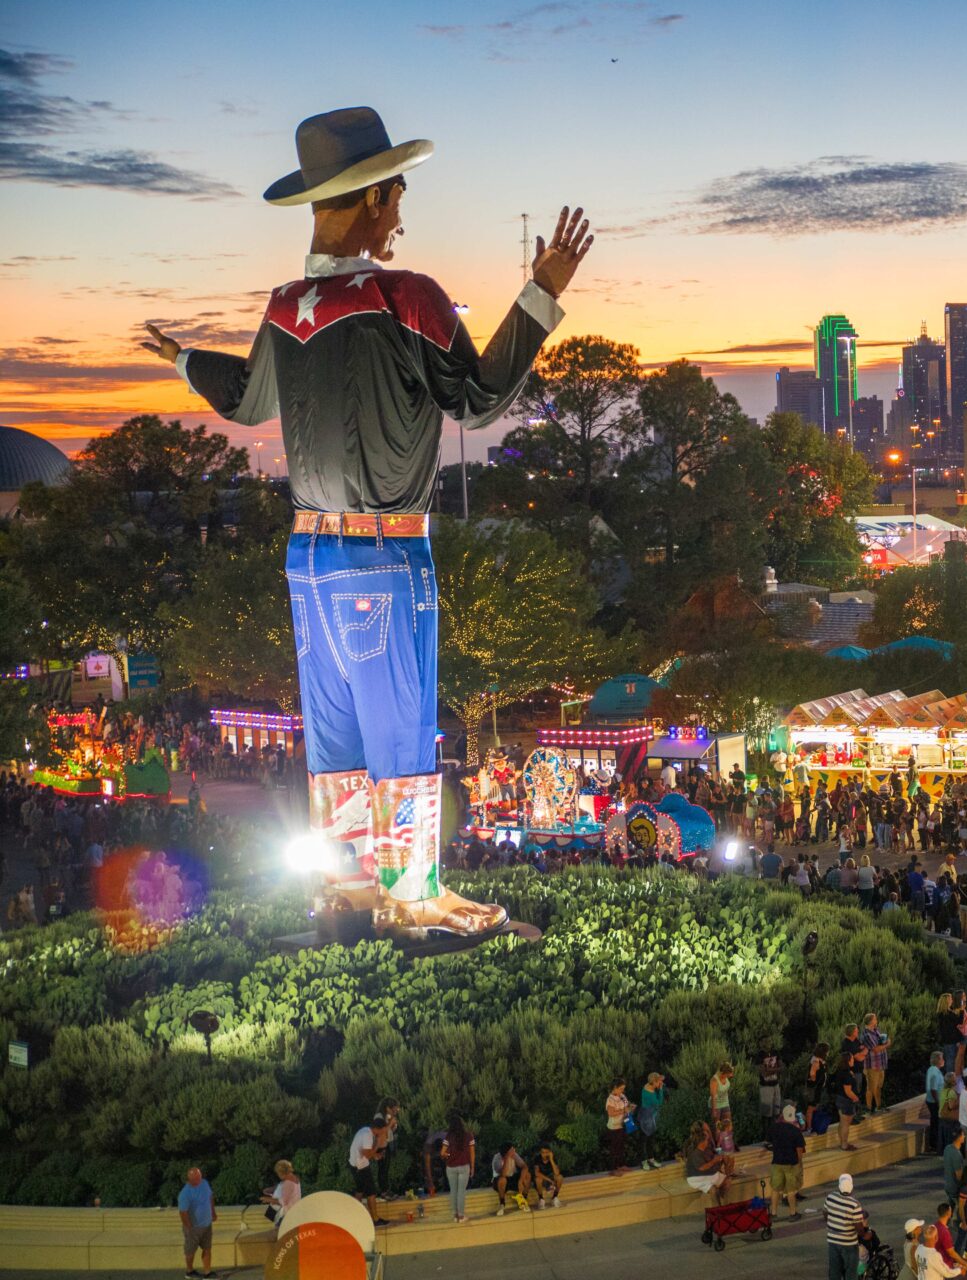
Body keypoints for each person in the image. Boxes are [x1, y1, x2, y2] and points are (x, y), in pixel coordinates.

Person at [147, 107, 590, 937]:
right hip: (384, 558)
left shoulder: (286, 308)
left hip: (306, 559)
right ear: (374, 199)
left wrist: (180, 359)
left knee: (337, 730)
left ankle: (348, 884)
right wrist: (541, 296)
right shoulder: (404, 297)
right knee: (399, 732)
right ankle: (415, 896)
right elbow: (481, 396)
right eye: (397, 197)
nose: (401, 214)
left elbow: (244, 400)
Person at [826, 1173, 867, 1280]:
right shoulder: (855, 1204)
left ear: (839, 1185)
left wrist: (832, 1224)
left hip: (833, 1240)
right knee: (850, 1272)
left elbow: (825, 1213)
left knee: (834, 1271)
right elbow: (858, 1226)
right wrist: (864, 1234)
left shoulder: (830, 1197)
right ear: (851, 1187)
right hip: (849, 1243)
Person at [178, 1167, 216, 1279]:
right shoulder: (185, 1194)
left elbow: (210, 1197)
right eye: (196, 1178)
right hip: (193, 1227)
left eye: (199, 1176)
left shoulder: (204, 1183)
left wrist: (213, 1212)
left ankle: (207, 1272)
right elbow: (183, 1212)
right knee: (190, 1251)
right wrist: (189, 1227)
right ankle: (189, 1271)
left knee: (207, 1248)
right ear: (189, 1179)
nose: (199, 1179)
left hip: (207, 1224)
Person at [348, 1115, 389, 1218]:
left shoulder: (366, 1130)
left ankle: (353, 1214)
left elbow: (364, 1151)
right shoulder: (368, 1135)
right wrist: (378, 1145)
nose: (384, 1133)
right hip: (360, 1167)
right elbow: (367, 1154)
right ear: (377, 1129)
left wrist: (375, 1155)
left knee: (360, 1189)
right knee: (371, 1192)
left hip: (355, 1165)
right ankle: (375, 1220)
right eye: (383, 1131)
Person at [683, 1121, 732, 1205]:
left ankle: (723, 1204)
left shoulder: (706, 1144)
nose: (708, 1140)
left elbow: (713, 1154)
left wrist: (720, 1158)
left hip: (709, 1173)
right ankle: (718, 1210)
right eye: (707, 1130)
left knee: (727, 1181)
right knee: (713, 1190)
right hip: (699, 1177)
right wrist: (714, 1161)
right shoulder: (695, 1150)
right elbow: (701, 1167)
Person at [443, 1115, 474, 1223]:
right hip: (464, 1166)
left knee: (453, 1191)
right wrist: (473, 1168)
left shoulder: (448, 1136)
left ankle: (455, 1216)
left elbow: (442, 1153)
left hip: (451, 1167)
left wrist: (449, 1156)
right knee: (461, 1192)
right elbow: (472, 1154)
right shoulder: (468, 1136)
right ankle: (461, 1216)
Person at [605, 1078, 636, 1174]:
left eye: (623, 1088)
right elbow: (611, 1113)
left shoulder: (622, 1096)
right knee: (615, 1148)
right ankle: (613, 1169)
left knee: (622, 1147)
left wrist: (631, 1107)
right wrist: (623, 1111)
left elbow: (627, 1105)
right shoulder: (610, 1099)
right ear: (615, 1088)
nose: (623, 1091)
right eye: (621, 1088)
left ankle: (621, 1166)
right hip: (614, 1127)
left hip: (623, 1124)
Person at [492, 1143, 532, 1214]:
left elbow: (524, 1167)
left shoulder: (514, 1155)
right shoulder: (497, 1158)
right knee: (502, 1180)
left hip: (512, 1178)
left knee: (527, 1175)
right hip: (499, 1180)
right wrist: (507, 1158)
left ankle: (523, 1200)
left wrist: (520, 1181)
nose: (514, 1151)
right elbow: (503, 1174)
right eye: (512, 1150)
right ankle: (502, 1204)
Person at [262, 1159, 302, 1225]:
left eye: (278, 1173)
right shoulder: (294, 1178)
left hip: (288, 1215)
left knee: (280, 1232)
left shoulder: (288, 1183)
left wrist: (268, 1199)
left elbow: (283, 1202)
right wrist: (271, 1190)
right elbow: (281, 1186)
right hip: (294, 1211)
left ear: (281, 1173)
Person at [926, 1051, 949, 1154]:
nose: (943, 1060)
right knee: (936, 1123)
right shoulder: (935, 1072)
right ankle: (935, 1145)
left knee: (935, 1122)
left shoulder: (933, 1070)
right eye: (942, 1058)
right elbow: (933, 1089)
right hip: (934, 1102)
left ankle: (934, 1144)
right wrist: (938, 1102)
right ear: (937, 1060)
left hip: (932, 1101)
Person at [531, 1143, 564, 1209]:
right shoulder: (537, 1158)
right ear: (540, 1152)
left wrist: (551, 1160)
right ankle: (541, 1199)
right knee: (538, 1179)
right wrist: (549, 1180)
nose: (544, 1154)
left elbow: (557, 1173)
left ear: (550, 1152)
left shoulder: (553, 1158)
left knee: (560, 1177)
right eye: (543, 1152)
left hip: (551, 1177)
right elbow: (537, 1173)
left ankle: (554, 1197)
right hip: (543, 1178)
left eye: (546, 1152)